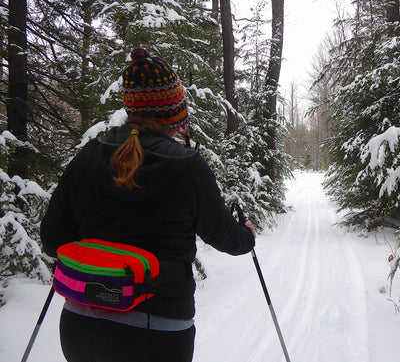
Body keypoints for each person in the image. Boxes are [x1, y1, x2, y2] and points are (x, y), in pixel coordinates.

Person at [40, 47, 256, 362]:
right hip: (156, 330)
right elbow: (224, 236)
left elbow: (53, 240)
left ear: (130, 107)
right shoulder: (187, 166)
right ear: (175, 111)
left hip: (80, 325)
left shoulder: (89, 155)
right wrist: (247, 235)